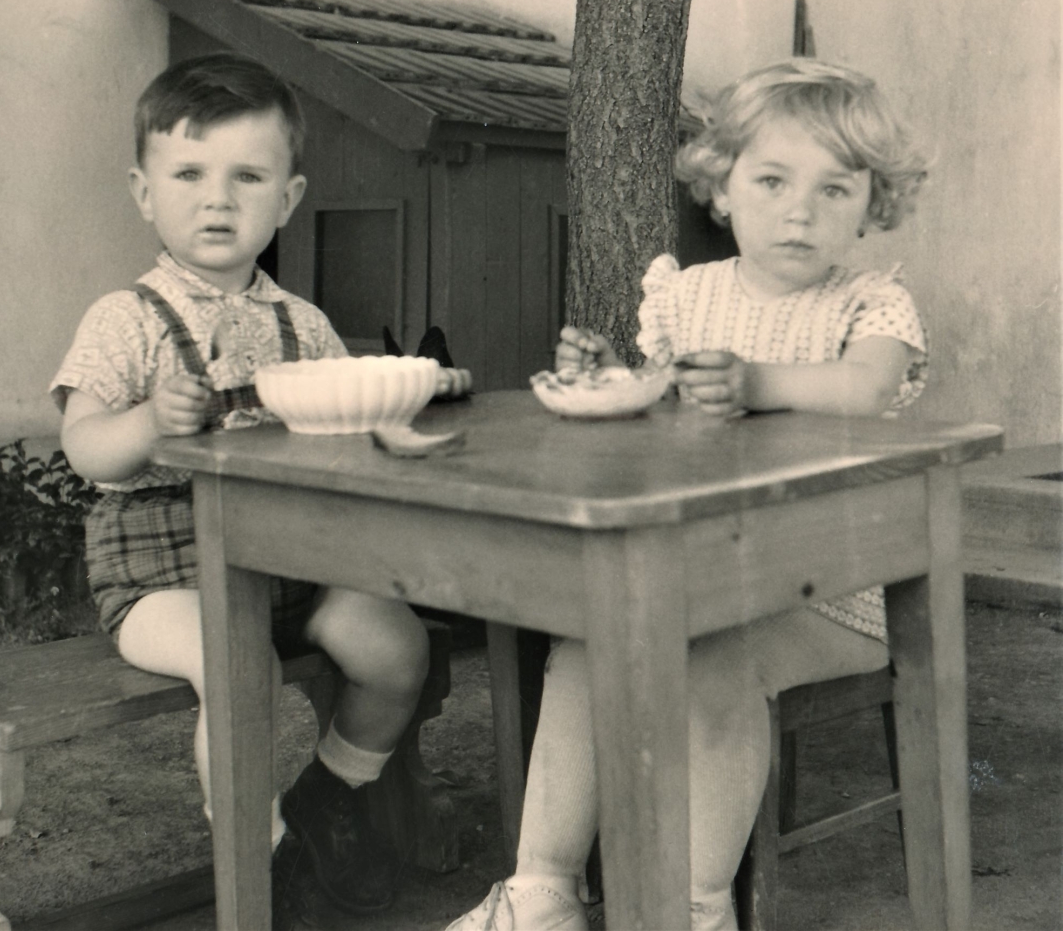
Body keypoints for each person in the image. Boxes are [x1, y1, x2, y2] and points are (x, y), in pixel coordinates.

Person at [446, 58, 930, 931]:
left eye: (835, 190)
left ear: (873, 203)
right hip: (701, 575)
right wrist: (606, 378)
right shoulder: (686, 295)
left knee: (713, 663)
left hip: (835, 595)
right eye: (773, 180)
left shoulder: (873, 306)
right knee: (587, 638)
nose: (800, 210)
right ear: (723, 185)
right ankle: (543, 890)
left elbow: (863, 389)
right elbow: (658, 407)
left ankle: (694, 909)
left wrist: (756, 383)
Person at [51, 52, 469, 928]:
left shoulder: (302, 324)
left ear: (286, 199)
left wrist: (400, 413)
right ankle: (266, 855)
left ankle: (333, 792)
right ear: (143, 191)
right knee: (235, 661)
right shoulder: (125, 318)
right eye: (190, 174)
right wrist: (145, 424)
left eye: (248, 176)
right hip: (164, 569)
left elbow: (346, 421)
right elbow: (86, 447)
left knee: (394, 645)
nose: (218, 199)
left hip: (290, 552)